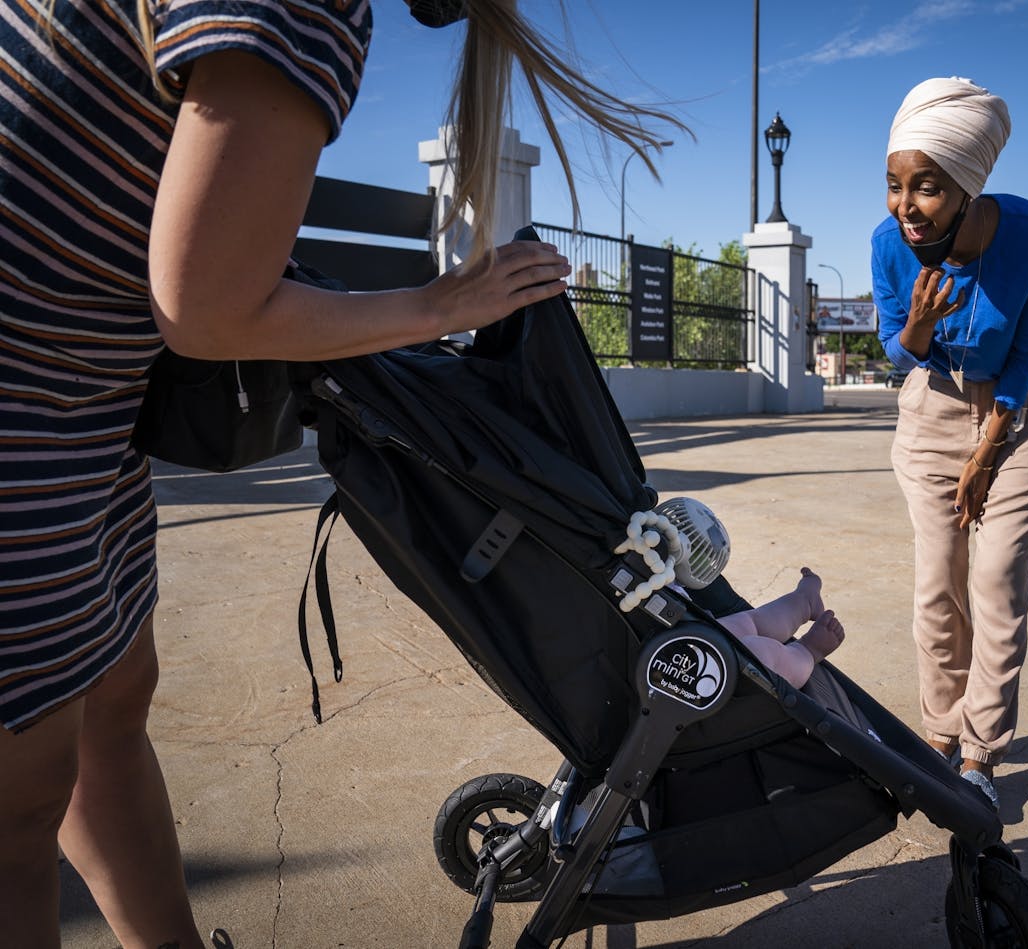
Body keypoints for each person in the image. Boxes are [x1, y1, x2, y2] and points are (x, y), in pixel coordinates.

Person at [0, 1, 682, 945]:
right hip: (27, 408)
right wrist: (440, 303)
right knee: (17, 811)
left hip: (82, 408)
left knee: (111, 704)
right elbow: (206, 307)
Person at [872, 77, 1028, 810]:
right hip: (931, 410)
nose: (905, 206)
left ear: (966, 184)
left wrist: (991, 448)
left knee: (993, 580)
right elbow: (898, 353)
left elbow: (1025, 348)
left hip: (1023, 411)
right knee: (939, 582)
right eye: (894, 185)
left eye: (924, 187)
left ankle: (982, 753)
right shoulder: (887, 245)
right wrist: (918, 329)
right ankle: (938, 736)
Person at [646, 498, 845, 688]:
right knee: (757, 653)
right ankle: (807, 652)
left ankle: (803, 603)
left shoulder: (644, 549)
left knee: (749, 622)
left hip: (695, 632)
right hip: (688, 666)